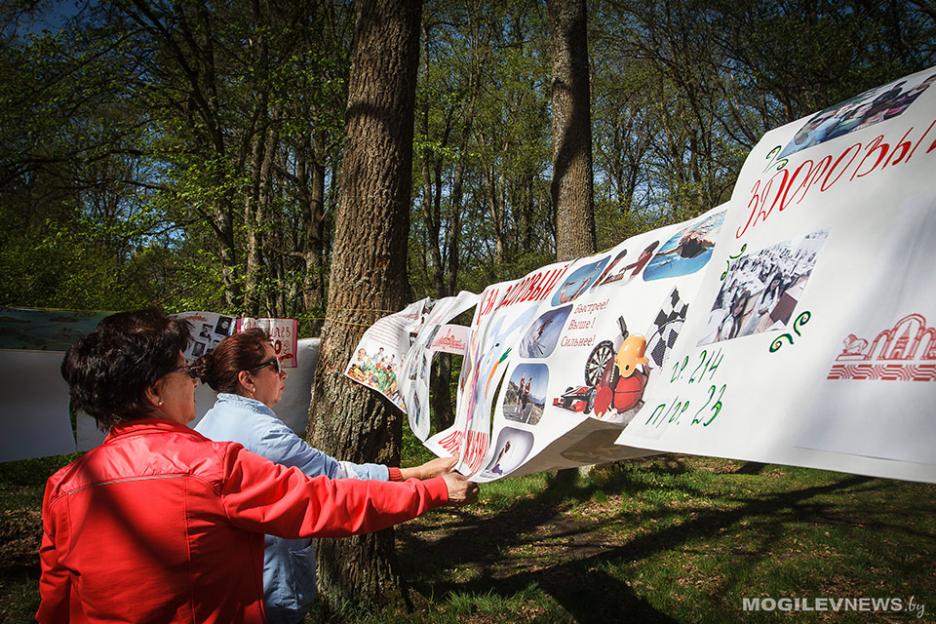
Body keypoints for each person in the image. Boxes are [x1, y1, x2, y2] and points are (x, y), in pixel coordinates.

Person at [38, 309, 477, 623]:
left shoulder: (63, 486)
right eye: (185, 371)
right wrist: (433, 490)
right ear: (154, 392)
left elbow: (55, 601)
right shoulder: (213, 466)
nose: (194, 380)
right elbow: (323, 500)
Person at [194, 329, 455, 624]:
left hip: (229, 587)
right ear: (247, 380)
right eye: (274, 365)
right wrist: (421, 474)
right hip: (266, 593)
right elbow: (336, 477)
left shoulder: (211, 420)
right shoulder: (264, 434)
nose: (283, 374)